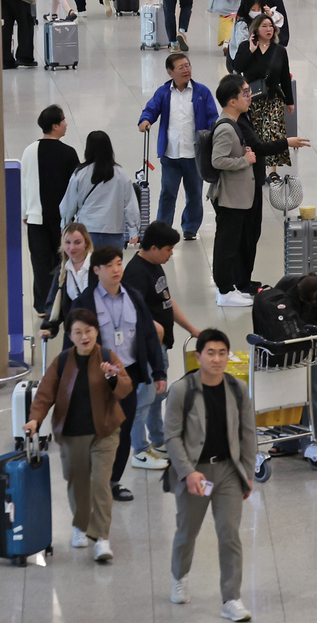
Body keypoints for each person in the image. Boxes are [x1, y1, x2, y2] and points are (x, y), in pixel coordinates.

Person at [22, 308, 132, 562]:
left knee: (101, 484)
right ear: (70, 336)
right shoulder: (61, 361)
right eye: (78, 332)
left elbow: (125, 389)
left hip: (104, 431)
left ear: (96, 331)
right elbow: (45, 394)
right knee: (78, 484)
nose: (84, 336)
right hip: (72, 434)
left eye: (89, 330)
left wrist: (113, 377)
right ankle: (80, 527)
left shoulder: (107, 356)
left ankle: (102, 539)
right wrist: (34, 419)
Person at [166, 327, 258, 623]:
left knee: (229, 534)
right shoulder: (182, 390)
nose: (217, 359)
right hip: (196, 472)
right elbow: (172, 436)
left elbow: (248, 433)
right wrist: (187, 472)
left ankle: (231, 598)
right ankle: (180, 576)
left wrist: (247, 472)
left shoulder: (237, 389)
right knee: (187, 531)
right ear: (198, 356)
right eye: (210, 353)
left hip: (229, 472)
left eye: (222, 353)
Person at [68, 245, 166, 504]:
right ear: (97, 270)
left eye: (119, 264)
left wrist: (158, 372)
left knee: (122, 430)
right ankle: (90, 483)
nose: (116, 270)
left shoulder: (133, 297)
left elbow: (148, 336)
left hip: (127, 375)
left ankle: (112, 482)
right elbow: (73, 345)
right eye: (110, 265)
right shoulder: (84, 303)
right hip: (95, 376)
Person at [209, 73, 309, 304]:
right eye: (244, 93)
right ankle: (225, 290)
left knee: (244, 238)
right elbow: (218, 160)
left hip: (244, 191)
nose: (250, 96)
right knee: (228, 243)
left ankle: (239, 283)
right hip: (232, 196)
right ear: (231, 101)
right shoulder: (226, 127)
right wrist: (246, 161)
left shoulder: (240, 120)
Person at [122, 221, 198, 472]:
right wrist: (154, 327)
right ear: (153, 248)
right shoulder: (136, 272)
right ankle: (140, 451)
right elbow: (129, 311)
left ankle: (157, 439)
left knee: (158, 393)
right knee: (144, 398)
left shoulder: (155, 266)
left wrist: (191, 328)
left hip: (160, 347)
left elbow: (167, 300)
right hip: (144, 349)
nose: (171, 253)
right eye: (168, 249)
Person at [138, 52, 218, 240]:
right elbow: (151, 109)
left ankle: (190, 228)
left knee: (194, 195)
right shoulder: (163, 92)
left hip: (194, 155)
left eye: (188, 66)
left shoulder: (201, 92)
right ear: (170, 72)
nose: (186, 70)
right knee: (167, 193)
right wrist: (145, 120)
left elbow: (212, 117)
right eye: (181, 67)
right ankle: (162, 228)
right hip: (170, 154)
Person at [268, 272, 317, 453]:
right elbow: (270, 313)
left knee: (316, 391)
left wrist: (312, 349)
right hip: (288, 343)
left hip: (316, 344)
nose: (311, 306)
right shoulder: (285, 287)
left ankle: (315, 442)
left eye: (315, 304)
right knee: (288, 391)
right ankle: (284, 442)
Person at [21, 104, 79, 313]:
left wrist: (25, 213)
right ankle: (60, 301)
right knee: (62, 261)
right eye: (63, 120)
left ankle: (42, 305)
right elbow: (76, 188)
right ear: (55, 126)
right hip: (62, 221)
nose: (66, 124)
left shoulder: (29, 151)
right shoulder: (69, 153)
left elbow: (24, 183)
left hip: (35, 218)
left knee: (40, 262)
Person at [58, 130, 139, 250]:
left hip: (86, 231)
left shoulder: (80, 174)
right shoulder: (121, 174)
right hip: (114, 230)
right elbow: (130, 204)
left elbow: (69, 203)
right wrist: (133, 230)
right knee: (111, 266)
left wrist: (65, 223)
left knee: (87, 267)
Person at [232, 13, 294, 168]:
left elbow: (285, 76)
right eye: (264, 26)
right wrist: (251, 50)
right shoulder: (246, 47)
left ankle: (272, 171)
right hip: (251, 100)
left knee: (272, 133)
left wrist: (289, 101)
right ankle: (258, 167)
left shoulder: (279, 51)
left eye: (271, 26)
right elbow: (237, 67)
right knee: (256, 136)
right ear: (256, 30)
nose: (269, 29)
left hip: (273, 98)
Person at [40, 223, 92, 337]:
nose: (72, 247)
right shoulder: (62, 271)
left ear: (86, 243)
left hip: (96, 329)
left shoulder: (96, 266)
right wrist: (49, 328)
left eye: (77, 242)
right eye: (68, 243)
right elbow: (54, 302)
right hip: (74, 331)